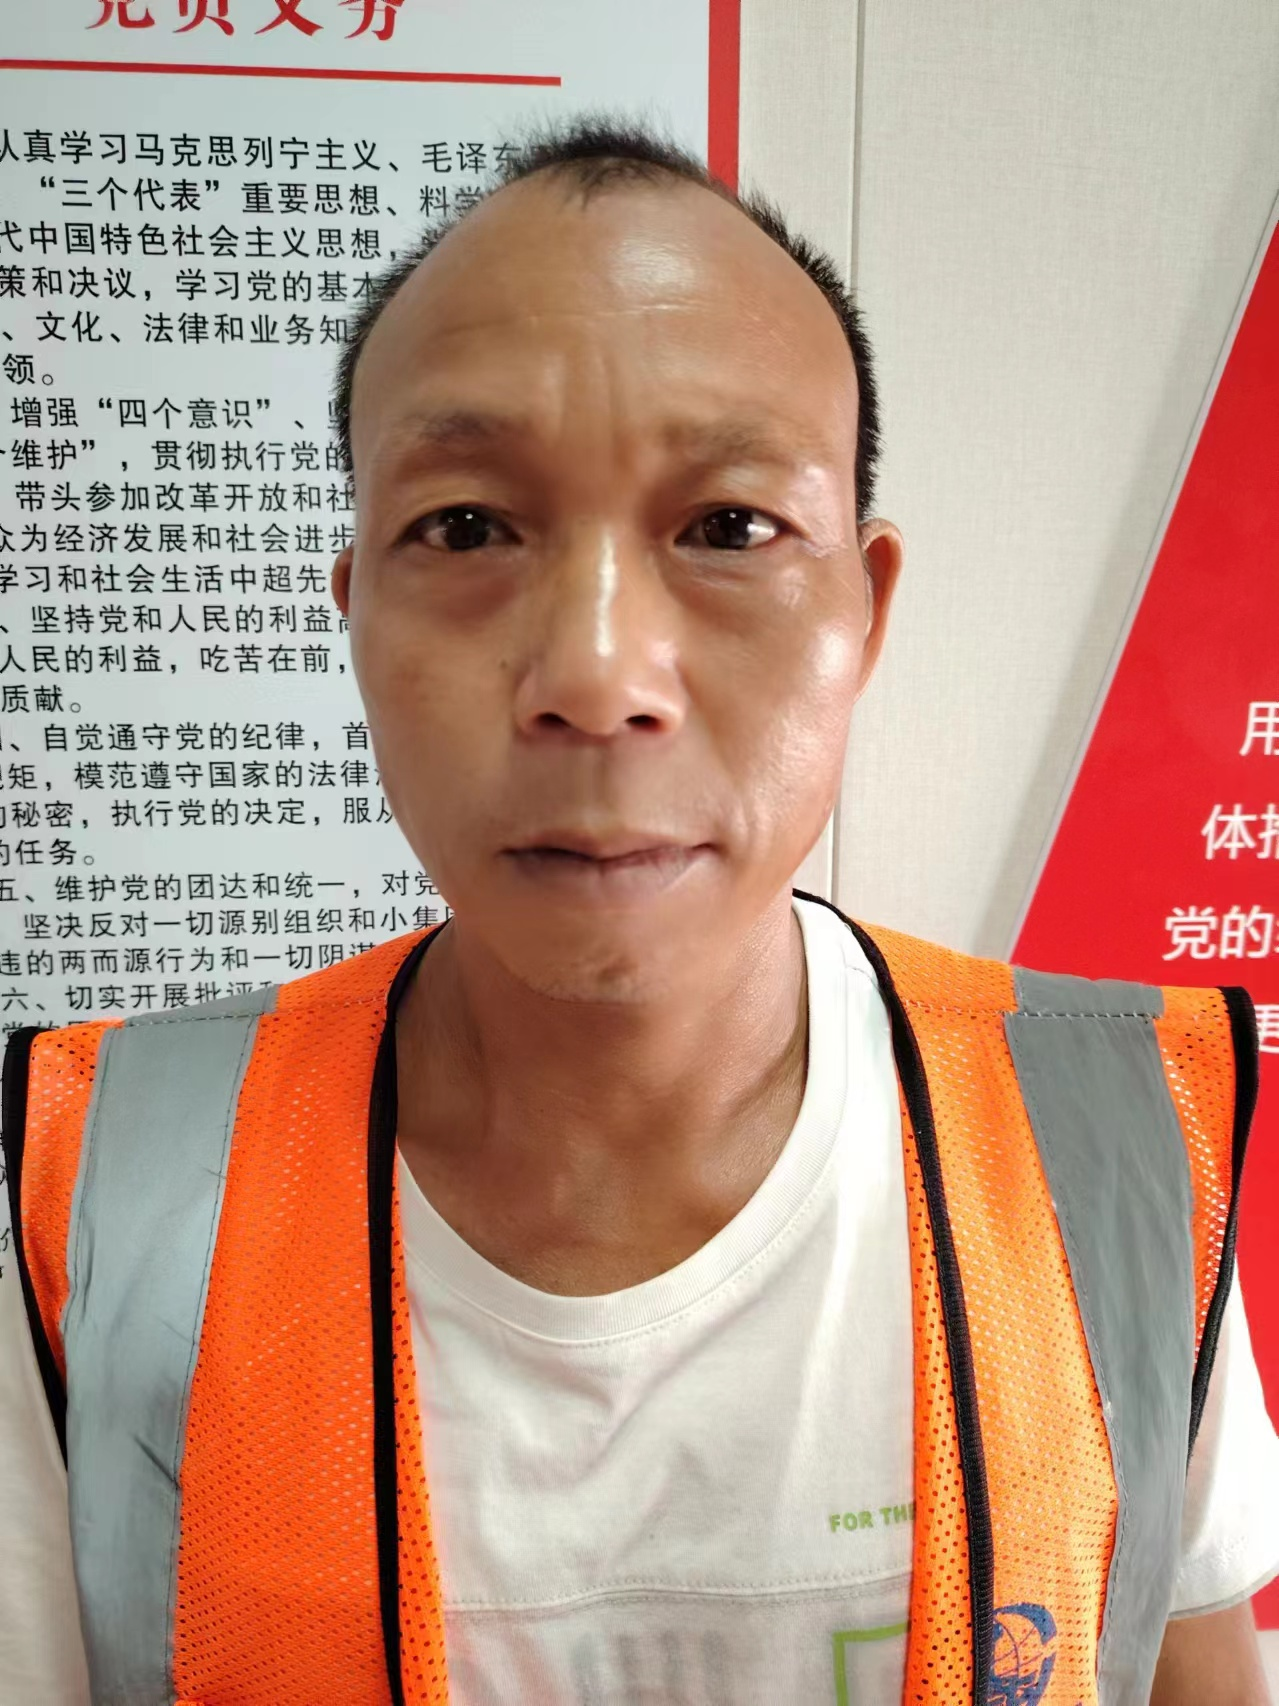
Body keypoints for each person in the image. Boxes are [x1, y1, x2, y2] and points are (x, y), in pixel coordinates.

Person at [3, 118, 1278, 1706]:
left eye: (729, 527)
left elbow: (1190, 1661)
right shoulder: (92, 1190)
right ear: (356, 613)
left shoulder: (1117, 1134)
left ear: (864, 607)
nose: (596, 677)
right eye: (465, 526)